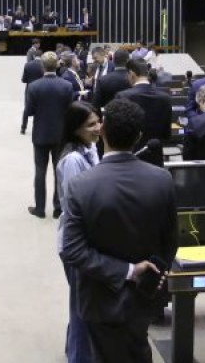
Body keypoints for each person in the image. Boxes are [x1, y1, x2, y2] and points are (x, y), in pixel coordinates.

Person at [61, 99, 178, 363]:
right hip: (145, 296)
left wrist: (126, 271)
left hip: (99, 297)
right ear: (139, 136)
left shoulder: (81, 185)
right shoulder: (162, 179)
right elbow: (170, 242)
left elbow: (73, 250)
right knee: (139, 350)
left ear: (102, 131)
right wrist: (149, 277)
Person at [55, 102, 101, 363]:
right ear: (75, 129)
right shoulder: (73, 160)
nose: (98, 128)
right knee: (82, 308)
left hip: (85, 238)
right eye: (91, 124)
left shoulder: (89, 148)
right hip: (77, 241)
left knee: (81, 302)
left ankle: (74, 349)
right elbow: (76, 207)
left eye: (98, 121)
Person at [23, 52, 75, 219]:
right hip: (60, 134)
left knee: (40, 171)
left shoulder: (34, 86)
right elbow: (71, 110)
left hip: (40, 133)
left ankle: (39, 208)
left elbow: (29, 111)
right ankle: (58, 208)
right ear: (57, 65)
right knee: (59, 171)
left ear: (42, 66)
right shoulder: (67, 85)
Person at [117, 58, 171, 167]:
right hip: (155, 157)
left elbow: (118, 132)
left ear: (131, 74)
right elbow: (166, 134)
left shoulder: (122, 96)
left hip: (129, 158)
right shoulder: (165, 98)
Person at [20, 53, 45, 135]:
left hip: (30, 88)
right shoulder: (43, 65)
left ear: (34, 56)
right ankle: (38, 128)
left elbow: (23, 80)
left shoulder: (27, 65)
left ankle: (23, 128)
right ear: (41, 56)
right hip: (41, 88)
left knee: (27, 108)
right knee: (40, 108)